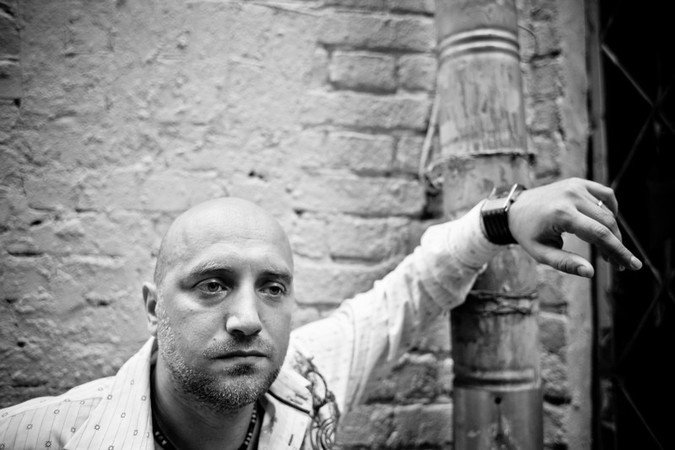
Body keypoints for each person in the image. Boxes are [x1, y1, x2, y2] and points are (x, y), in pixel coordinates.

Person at [0, 178, 641, 450]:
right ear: (152, 307)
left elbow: (412, 290)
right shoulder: (39, 437)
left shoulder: (306, 382)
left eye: (272, 287)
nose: (248, 318)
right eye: (213, 286)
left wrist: (505, 217)